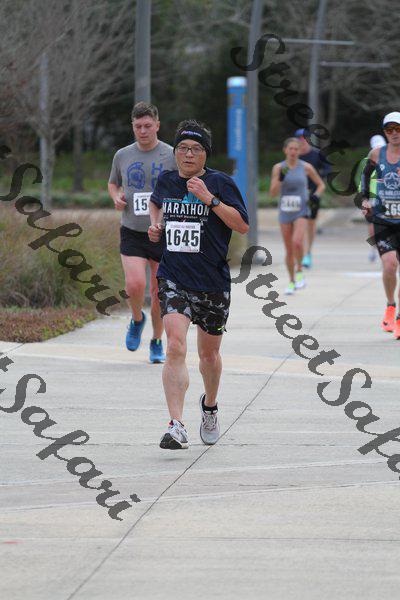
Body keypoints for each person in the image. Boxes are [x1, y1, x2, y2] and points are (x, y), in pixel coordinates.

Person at [148, 120, 249, 449]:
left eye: (195, 149)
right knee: (175, 346)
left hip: (212, 283)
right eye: (182, 148)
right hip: (173, 276)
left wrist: (210, 199)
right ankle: (176, 425)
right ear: (175, 152)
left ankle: (210, 406)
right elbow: (156, 203)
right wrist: (156, 225)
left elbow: (242, 225)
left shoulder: (221, 183)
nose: (188, 154)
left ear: (206, 154)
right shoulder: (166, 181)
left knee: (209, 356)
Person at [108, 102, 176, 363]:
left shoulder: (171, 154)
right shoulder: (122, 155)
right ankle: (137, 319)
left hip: (162, 231)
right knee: (135, 284)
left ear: (157, 125)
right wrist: (116, 197)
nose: (143, 131)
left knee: (159, 292)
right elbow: (113, 183)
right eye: (138, 126)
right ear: (133, 127)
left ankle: (157, 341)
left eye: (148, 126)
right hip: (132, 230)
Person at [361, 112, 400, 339]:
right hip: (383, 219)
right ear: (385, 132)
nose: (394, 133)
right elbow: (365, 177)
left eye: (398, 129)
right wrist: (365, 199)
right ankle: (390, 305)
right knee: (389, 265)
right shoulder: (377, 153)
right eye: (389, 129)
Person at [270, 137, 325, 295]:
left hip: (301, 210)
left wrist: (315, 196)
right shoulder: (278, 168)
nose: (293, 152)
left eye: (296, 149)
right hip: (285, 211)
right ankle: (292, 281)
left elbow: (321, 185)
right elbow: (273, 193)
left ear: (299, 151)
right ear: (285, 150)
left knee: (297, 242)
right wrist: (281, 178)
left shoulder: (306, 167)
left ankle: (299, 270)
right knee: (289, 249)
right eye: (291, 149)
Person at [294, 128, 331, 268]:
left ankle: (308, 253)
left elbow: (327, 168)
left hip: (313, 194)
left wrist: (317, 176)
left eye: (304, 138)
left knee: (310, 223)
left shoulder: (317, 154)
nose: (302, 141)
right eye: (299, 138)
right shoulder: (294, 155)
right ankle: (301, 252)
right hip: (297, 195)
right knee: (299, 223)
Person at [366, 135, 386, 262]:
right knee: (373, 225)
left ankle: (377, 249)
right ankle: (374, 249)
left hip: (388, 198)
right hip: (374, 199)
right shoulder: (370, 161)